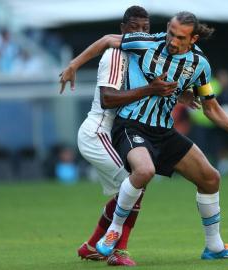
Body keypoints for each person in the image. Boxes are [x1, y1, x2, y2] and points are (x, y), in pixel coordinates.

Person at [60, 11, 228, 261]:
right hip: (131, 125)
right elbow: (106, 40)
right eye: (171, 33)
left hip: (163, 131)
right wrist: (73, 65)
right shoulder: (145, 43)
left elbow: (211, 107)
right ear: (167, 27)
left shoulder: (200, 65)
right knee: (143, 172)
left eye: (180, 37)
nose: (173, 41)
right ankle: (113, 233)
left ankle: (215, 246)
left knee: (210, 178)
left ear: (194, 38)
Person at [60, 6, 199, 266]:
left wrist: (180, 95)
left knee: (134, 185)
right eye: (135, 29)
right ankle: (117, 250)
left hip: (115, 131)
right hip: (98, 132)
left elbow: (151, 88)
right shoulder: (116, 55)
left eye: (145, 29)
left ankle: (92, 245)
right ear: (123, 30)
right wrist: (74, 64)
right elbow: (108, 98)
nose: (141, 34)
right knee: (137, 180)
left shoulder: (142, 55)